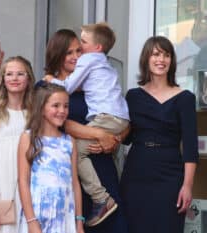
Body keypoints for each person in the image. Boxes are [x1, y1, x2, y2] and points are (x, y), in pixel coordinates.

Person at [41, 28, 129, 233]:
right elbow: (62, 124)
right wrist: (101, 135)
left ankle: (102, 200)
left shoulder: (95, 83)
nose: (76, 56)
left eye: (79, 51)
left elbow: (124, 122)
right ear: (57, 54)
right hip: (67, 174)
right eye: (69, 52)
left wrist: (115, 139)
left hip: (103, 167)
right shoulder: (46, 86)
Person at [120, 36, 198, 233]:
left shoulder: (185, 98)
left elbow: (190, 148)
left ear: (171, 61)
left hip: (170, 175)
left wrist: (187, 186)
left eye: (166, 55)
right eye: (156, 54)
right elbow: (126, 137)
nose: (161, 60)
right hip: (137, 172)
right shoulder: (133, 96)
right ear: (147, 58)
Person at [0, 56, 35, 233]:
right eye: (9, 74)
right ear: (3, 79)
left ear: (29, 78)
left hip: (32, 188)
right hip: (2, 190)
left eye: (20, 74)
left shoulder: (36, 115)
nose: (14, 78)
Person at [18, 83, 84, 233]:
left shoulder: (69, 142)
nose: (62, 111)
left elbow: (75, 183)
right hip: (38, 214)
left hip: (64, 216)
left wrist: (79, 221)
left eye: (66, 106)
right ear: (41, 108)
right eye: (56, 105)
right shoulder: (28, 138)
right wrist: (31, 221)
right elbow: (23, 180)